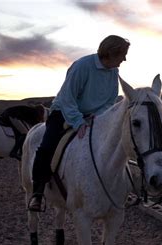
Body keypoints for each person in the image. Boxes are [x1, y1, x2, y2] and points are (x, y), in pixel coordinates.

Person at [28, 35, 130, 212]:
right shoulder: (82, 66)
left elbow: (110, 100)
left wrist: (98, 118)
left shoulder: (114, 72)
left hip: (92, 116)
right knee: (47, 147)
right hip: (64, 112)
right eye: (123, 54)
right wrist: (78, 121)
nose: (124, 59)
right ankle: (37, 192)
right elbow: (68, 97)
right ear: (112, 53)